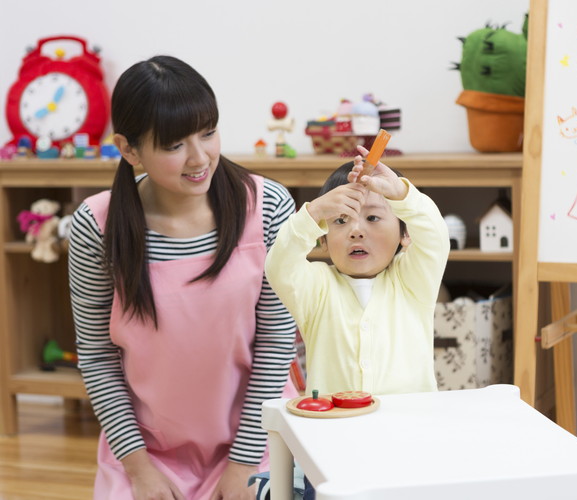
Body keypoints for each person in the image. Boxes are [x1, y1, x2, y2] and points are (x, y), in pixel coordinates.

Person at [68, 55, 298, 500]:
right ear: (129, 149)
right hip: (146, 453)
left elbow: (276, 343)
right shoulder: (96, 226)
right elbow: (96, 357)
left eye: (208, 132)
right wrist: (140, 471)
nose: (200, 158)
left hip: (257, 442)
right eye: (174, 145)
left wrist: (244, 466)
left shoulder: (268, 206)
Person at [265, 146, 450, 397]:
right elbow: (279, 265)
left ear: (405, 234)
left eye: (372, 218)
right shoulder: (317, 287)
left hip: (410, 427)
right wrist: (314, 212)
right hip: (335, 427)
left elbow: (435, 237)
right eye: (340, 220)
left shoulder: (411, 280)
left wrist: (402, 195)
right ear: (323, 239)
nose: (356, 231)